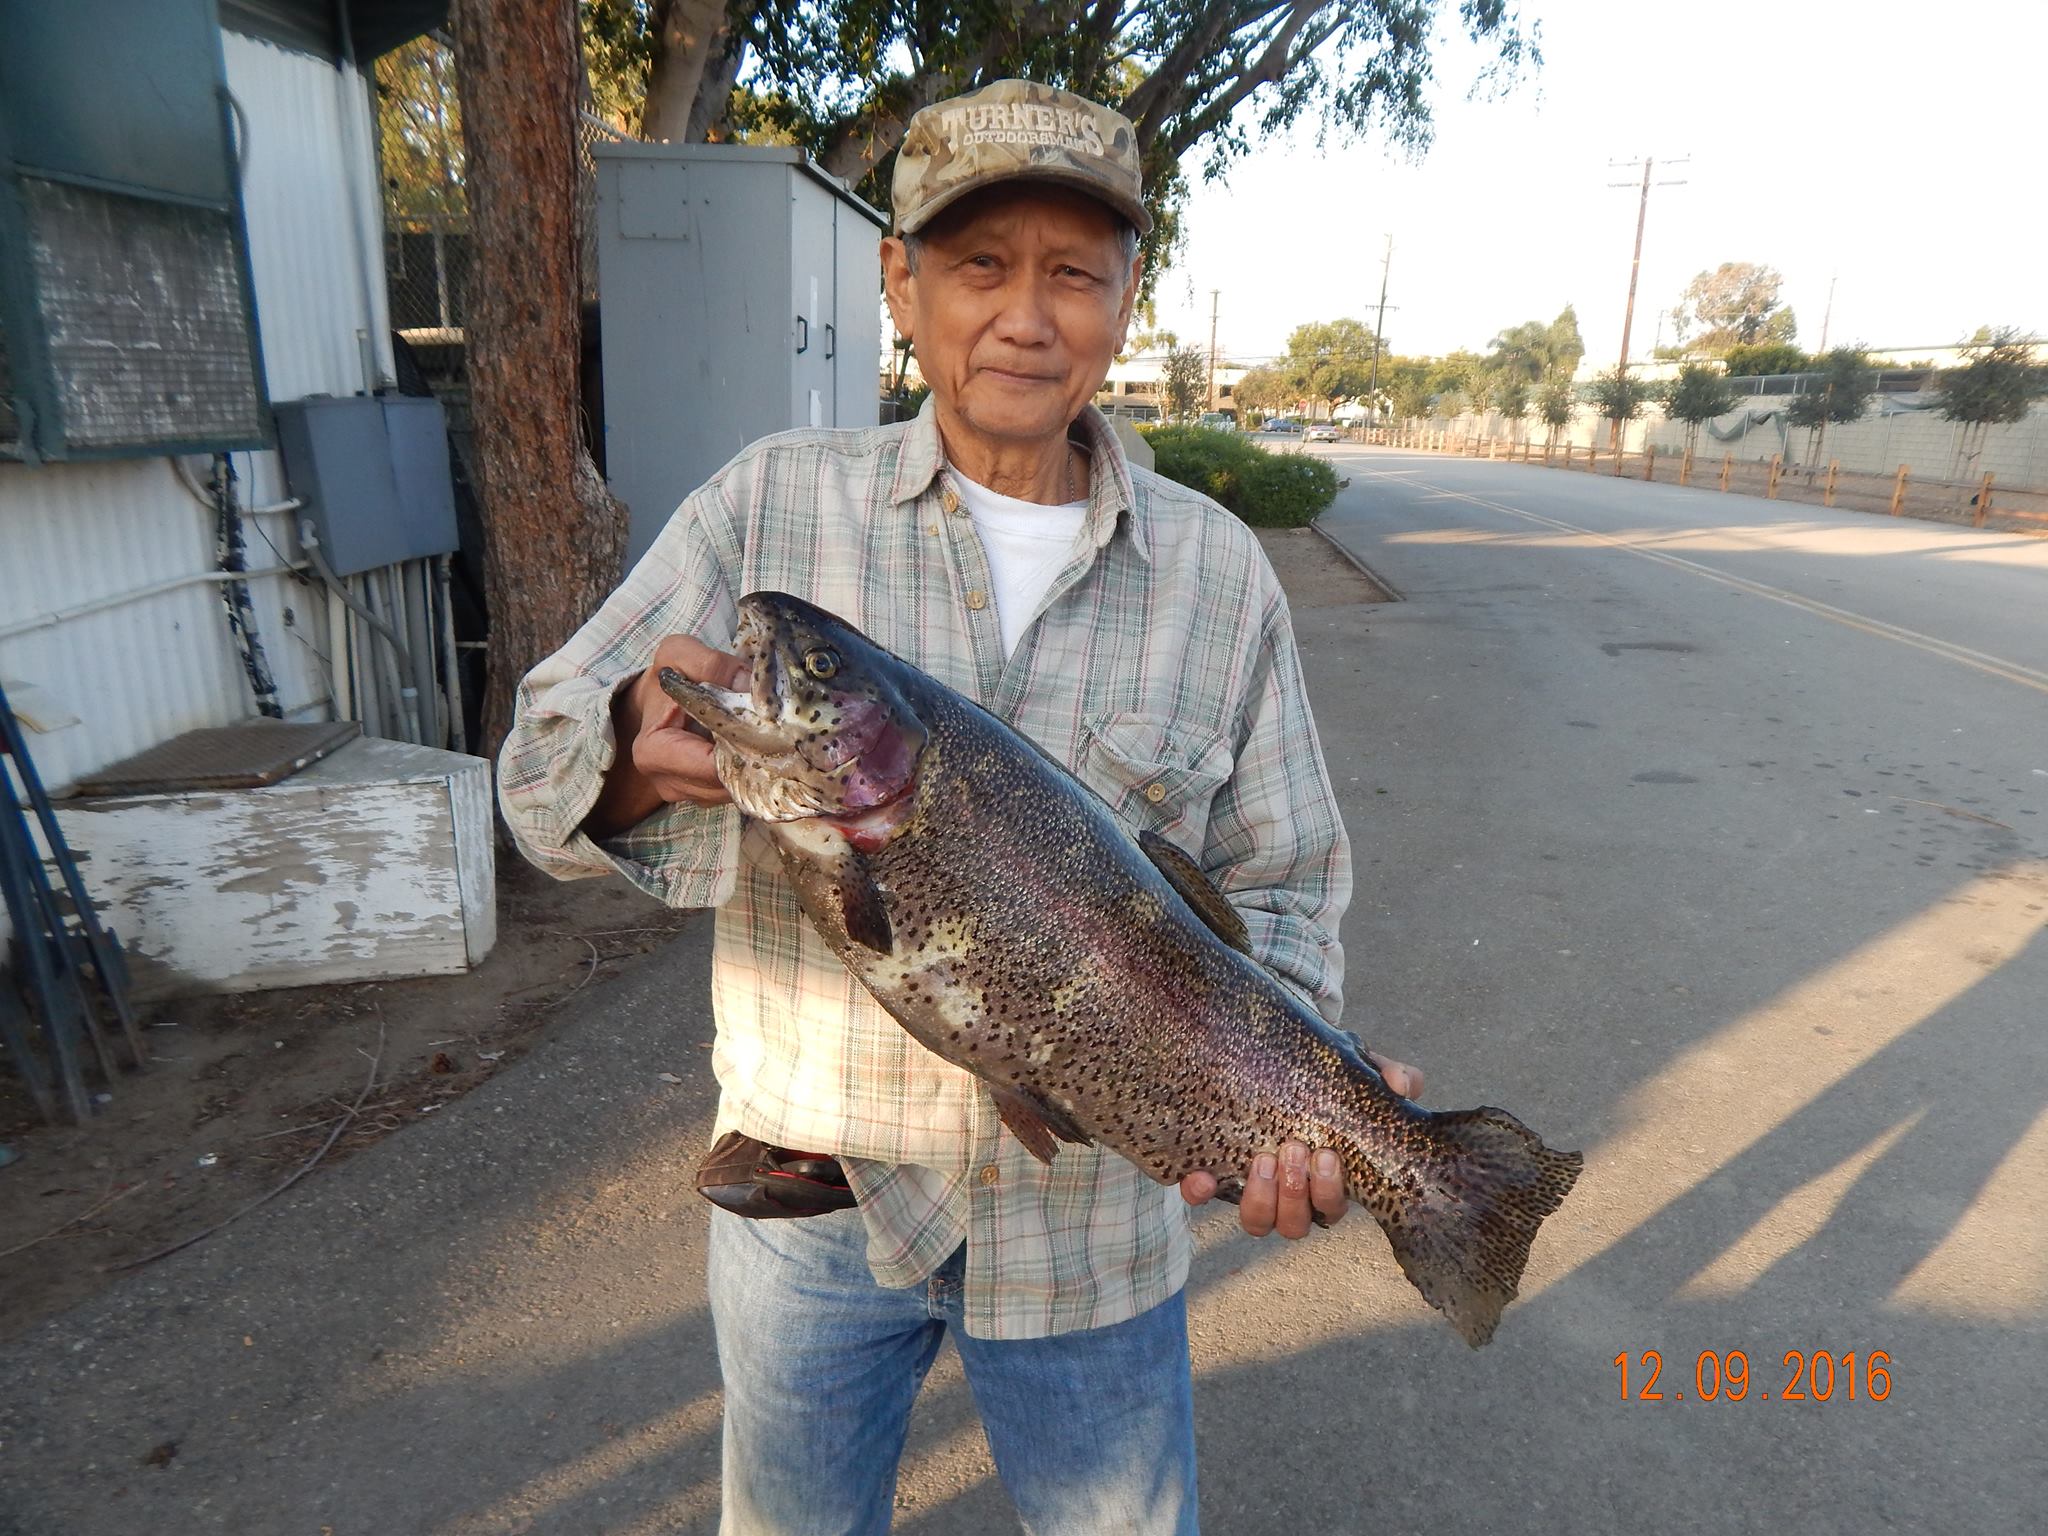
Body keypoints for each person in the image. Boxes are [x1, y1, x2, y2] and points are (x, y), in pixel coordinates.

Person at [499, 78, 1421, 1536]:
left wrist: (1295, 1095)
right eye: (979, 266)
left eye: (1073, 272)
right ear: (899, 285)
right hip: (815, 1212)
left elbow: (1288, 879)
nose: (1024, 316)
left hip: (1095, 1238)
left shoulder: (1218, 570)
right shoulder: (767, 508)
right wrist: (620, 747)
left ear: (1128, 299)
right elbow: (534, 773)